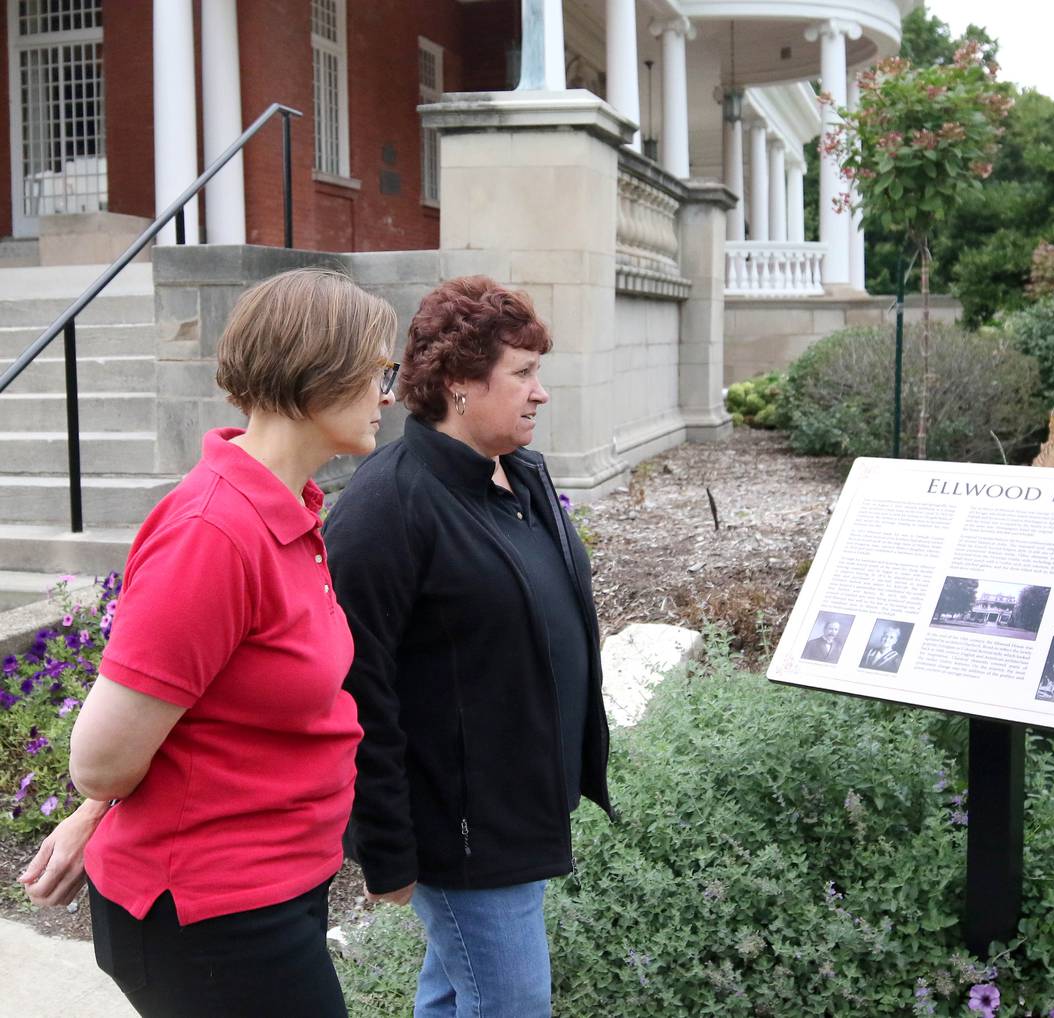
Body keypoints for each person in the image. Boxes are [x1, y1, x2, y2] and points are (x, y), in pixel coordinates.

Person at [18, 267, 399, 1016]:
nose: (388, 395)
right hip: (210, 915)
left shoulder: (290, 511)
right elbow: (100, 758)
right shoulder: (213, 533)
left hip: (273, 892)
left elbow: (203, 712)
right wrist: (98, 806)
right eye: (379, 370)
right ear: (320, 369)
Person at [323, 275, 612, 1018]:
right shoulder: (388, 506)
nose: (540, 393)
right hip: (464, 835)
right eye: (522, 374)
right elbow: (359, 690)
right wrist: (386, 849)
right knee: (510, 1004)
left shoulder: (521, 475)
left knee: (457, 997)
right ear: (457, 382)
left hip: (521, 806)